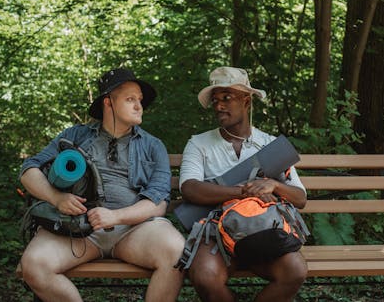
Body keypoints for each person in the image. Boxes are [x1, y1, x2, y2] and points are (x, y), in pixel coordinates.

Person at [19, 68, 185, 302]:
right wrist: (57, 198)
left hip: (135, 230)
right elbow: (29, 170)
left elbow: (157, 203)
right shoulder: (76, 136)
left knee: (176, 252)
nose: (139, 105)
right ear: (108, 102)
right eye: (130, 99)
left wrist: (115, 217)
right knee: (34, 264)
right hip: (79, 230)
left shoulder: (152, 145)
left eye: (139, 100)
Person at [179, 66, 308, 302]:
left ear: (247, 101)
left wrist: (274, 186)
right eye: (216, 100)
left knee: (295, 270)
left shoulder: (270, 146)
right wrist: (243, 192)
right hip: (215, 231)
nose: (219, 106)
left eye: (227, 98)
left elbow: (300, 198)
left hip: (262, 229)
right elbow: (189, 188)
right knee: (206, 277)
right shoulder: (199, 144)